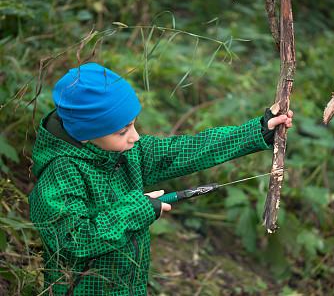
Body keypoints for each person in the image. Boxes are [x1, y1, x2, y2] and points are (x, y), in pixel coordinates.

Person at [28, 63, 293, 295]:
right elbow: (72, 241)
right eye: (123, 131)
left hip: (127, 287)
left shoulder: (127, 152)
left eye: (133, 124)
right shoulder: (60, 174)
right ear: (87, 133)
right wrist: (137, 211)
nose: (135, 137)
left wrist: (257, 131)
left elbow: (185, 151)